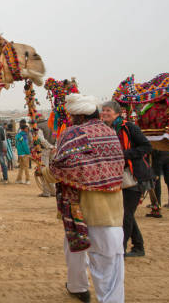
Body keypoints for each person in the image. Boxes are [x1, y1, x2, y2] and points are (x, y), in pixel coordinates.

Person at [43, 94, 126, 303]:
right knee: (111, 261)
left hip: (82, 207)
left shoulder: (74, 133)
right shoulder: (109, 132)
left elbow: (63, 167)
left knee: (77, 247)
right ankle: (86, 290)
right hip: (113, 206)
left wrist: (45, 172)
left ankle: (79, 287)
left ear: (77, 115)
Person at [101, 100, 152, 258]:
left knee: (126, 214)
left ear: (117, 113)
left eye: (108, 110)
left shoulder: (129, 127)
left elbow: (146, 146)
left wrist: (124, 155)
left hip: (134, 176)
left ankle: (120, 250)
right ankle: (138, 246)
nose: (105, 113)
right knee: (125, 212)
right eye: (103, 110)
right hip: (119, 177)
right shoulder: (105, 130)